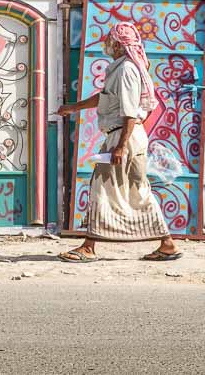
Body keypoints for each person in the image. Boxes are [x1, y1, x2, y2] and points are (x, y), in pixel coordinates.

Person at [56, 22, 182, 263]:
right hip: (129, 135)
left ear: (118, 44)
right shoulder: (122, 69)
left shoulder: (126, 70)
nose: (107, 44)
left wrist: (121, 146)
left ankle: (89, 247)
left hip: (124, 136)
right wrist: (74, 108)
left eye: (110, 40)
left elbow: (130, 111)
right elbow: (105, 98)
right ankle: (167, 244)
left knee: (101, 185)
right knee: (138, 189)